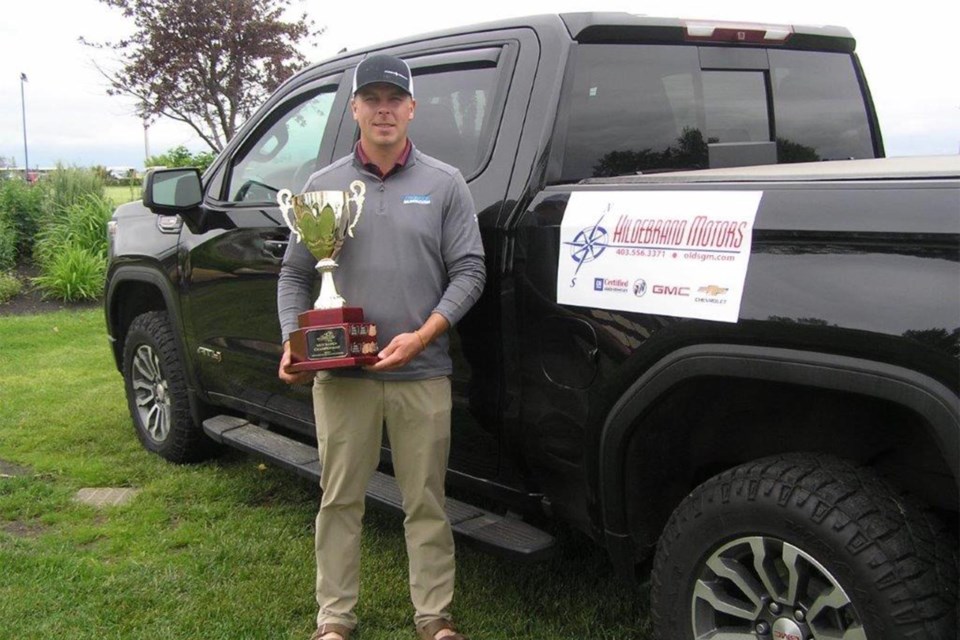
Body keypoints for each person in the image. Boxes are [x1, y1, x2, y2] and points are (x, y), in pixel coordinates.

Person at [277, 53, 485, 640]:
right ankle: (335, 621)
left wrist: (424, 334)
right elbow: (296, 276)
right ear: (355, 110)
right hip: (345, 379)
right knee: (340, 500)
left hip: (423, 373)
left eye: (395, 99)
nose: (384, 109)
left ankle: (434, 619)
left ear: (412, 108)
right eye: (372, 99)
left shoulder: (444, 184)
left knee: (427, 502)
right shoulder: (322, 188)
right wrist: (295, 339)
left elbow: (469, 270)